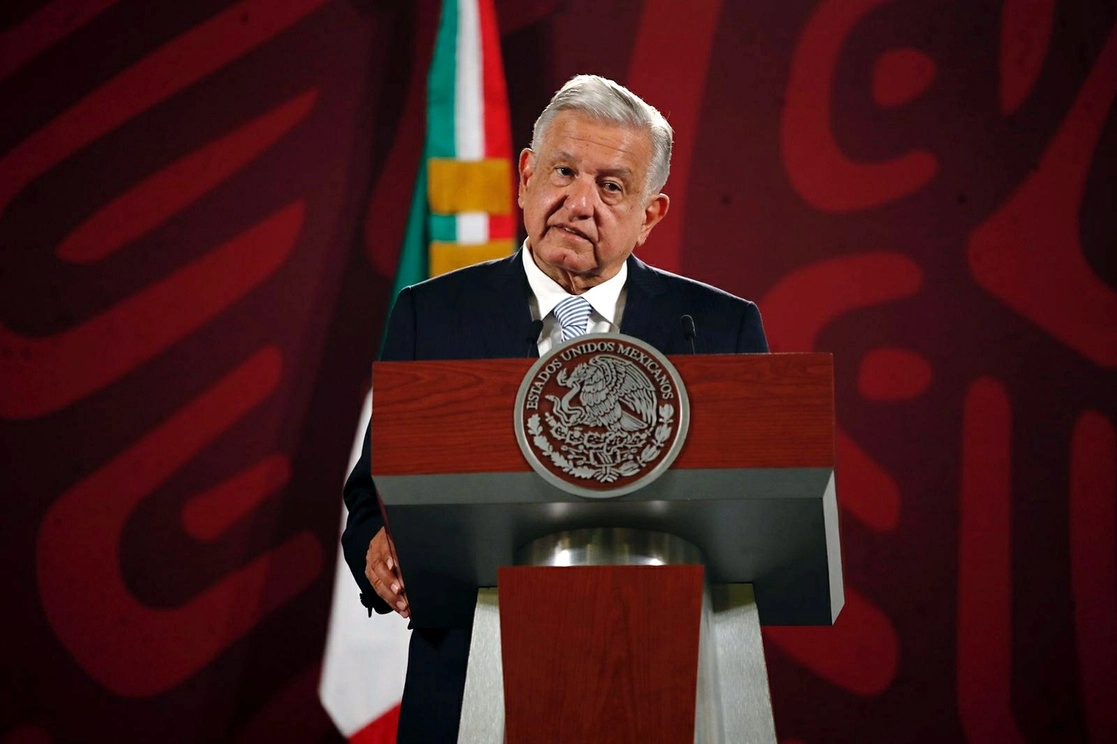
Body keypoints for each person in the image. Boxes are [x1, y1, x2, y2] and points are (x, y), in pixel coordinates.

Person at [341, 74, 768, 742]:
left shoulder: (715, 329)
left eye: (611, 186)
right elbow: (375, 487)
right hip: (467, 677)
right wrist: (373, 545)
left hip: (662, 673)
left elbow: (760, 504)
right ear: (525, 177)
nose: (578, 203)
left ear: (649, 214)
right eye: (564, 172)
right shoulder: (433, 315)